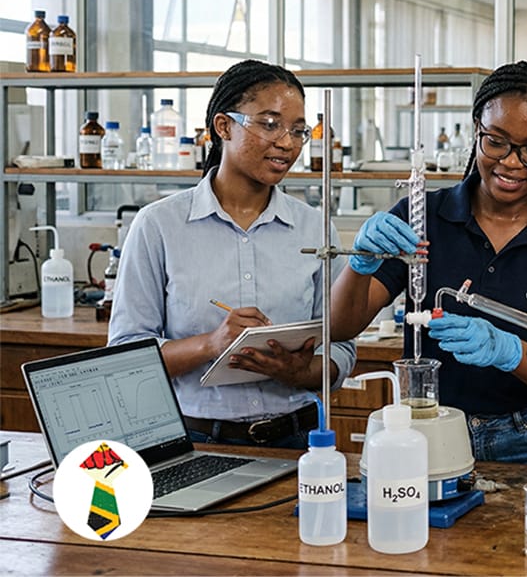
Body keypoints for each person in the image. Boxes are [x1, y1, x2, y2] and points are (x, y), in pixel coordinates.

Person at [329, 61, 527, 467]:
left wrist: (508, 351)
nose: (511, 163)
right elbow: (340, 325)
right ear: (476, 127)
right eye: (495, 141)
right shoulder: (422, 216)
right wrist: (360, 263)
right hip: (430, 428)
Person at [109, 59, 355, 449]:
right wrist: (211, 344)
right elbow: (125, 359)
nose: (287, 143)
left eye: (297, 130)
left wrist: (298, 371)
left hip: (297, 441)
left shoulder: (314, 228)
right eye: (270, 124)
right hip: (195, 440)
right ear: (224, 126)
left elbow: (341, 345)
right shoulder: (159, 226)